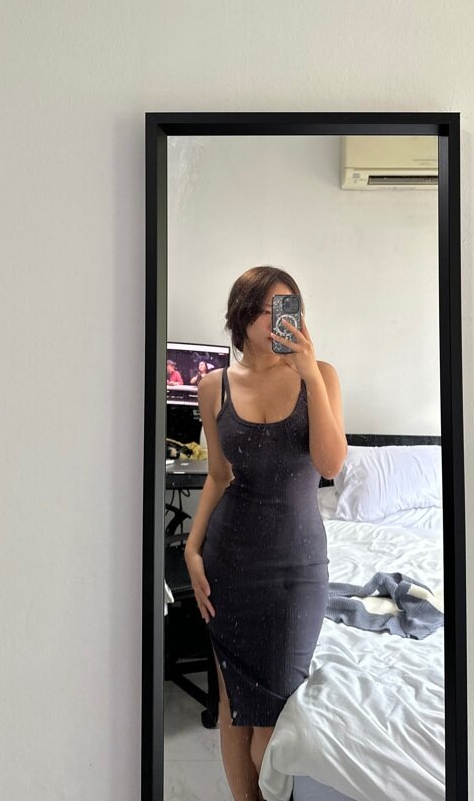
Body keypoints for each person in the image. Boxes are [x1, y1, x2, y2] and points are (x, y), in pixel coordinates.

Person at [184, 266, 346, 801]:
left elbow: (330, 464)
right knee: (233, 706)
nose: (283, 320)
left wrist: (311, 375)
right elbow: (218, 475)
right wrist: (191, 547)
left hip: (297, 569)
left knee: (274, 722)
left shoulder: (321, 375)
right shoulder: (213, 387)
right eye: (270, 309)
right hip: (229, 564)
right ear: (243, 314)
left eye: (289, 307)